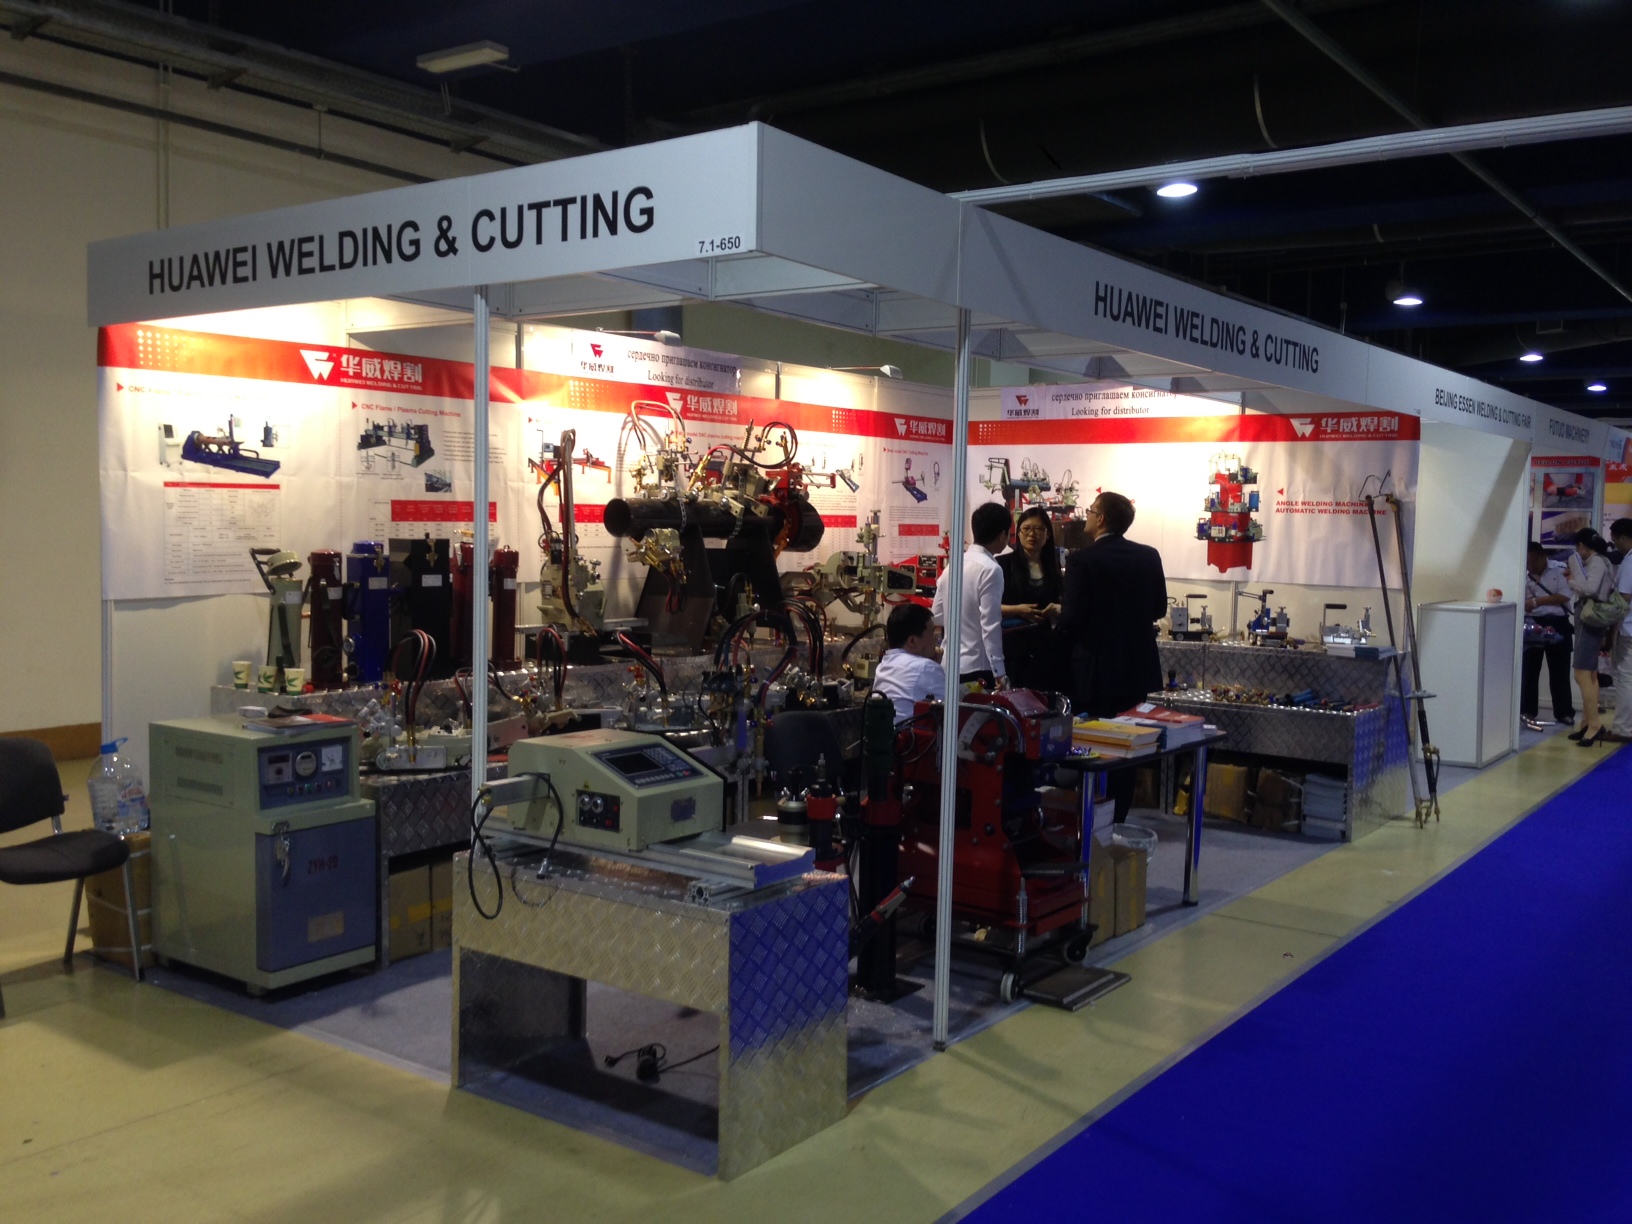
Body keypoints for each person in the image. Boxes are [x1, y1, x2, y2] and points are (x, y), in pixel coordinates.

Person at [1058, 491, 1168, 821]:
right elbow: (1159, 609)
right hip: (1136, 668)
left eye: (1091, 511)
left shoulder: (1082, 560)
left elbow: (1072, 618)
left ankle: (1091, 820)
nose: (1087, 516)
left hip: (1095, 670)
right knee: (1126, 746)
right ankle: (1118, 818)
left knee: (1092, 744)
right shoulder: (1148, 556)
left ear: (1101, 519)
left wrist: (1056, 615)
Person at [931, 501, 1011, 686]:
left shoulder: (952, 566)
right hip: (978, 668)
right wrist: (999, 671)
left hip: (949, 665)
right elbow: (990, 624)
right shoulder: (991, 569)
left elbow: (937, 614)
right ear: (1002, 536)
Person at [997, 506, 1065, 692]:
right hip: (1013, 651)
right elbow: (987, 607)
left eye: (1039, 529)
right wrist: (1018, 610)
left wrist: (1058, 609)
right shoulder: (1002, 565)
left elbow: (1064, 601)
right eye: (1026, 529)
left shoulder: (1055, 567)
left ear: (1048, 534)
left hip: (1047, 651)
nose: (1032, 534)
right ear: (1018, 533)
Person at [1565, 527, 1615, 747]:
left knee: (1582, 673)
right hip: (1591, 618)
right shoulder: (1603, 561)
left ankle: (1594, 724)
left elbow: (1590, 589)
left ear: (1582, 546)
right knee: (1590, 674)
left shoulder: (1595, 562)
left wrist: (1571, 581)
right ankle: (1587, 721)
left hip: (1588, 617)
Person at [1521, 541, 1575, 731]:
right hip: (1532, 624)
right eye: (1527, 562)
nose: (1530, 566)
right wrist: (1542, 602)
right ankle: (1528, 711)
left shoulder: (1559, 570)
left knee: (1560, 671)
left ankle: (1564, 712)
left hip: (1558, 623)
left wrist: (1535, 601)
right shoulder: (1521, 574)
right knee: (1529, 670)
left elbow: (1564, 596)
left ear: (1543, 557)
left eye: (1533, 561)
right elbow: (1522, 601)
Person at [870, 602, 946, 723]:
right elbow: (953, 713)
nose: (936, 640)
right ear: (912, 641)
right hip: (909, 734)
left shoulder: (884, 665)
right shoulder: (926, 667)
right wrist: (935, 665)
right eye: (932, 633)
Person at [1610, 519, 1632, 742]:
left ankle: (1623, 729)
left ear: (1625, 538)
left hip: (1629, 629)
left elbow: (1624, 597)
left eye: (1616, 540)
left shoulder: (1629, 562)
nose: (1615, 544)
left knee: (1626, 678)